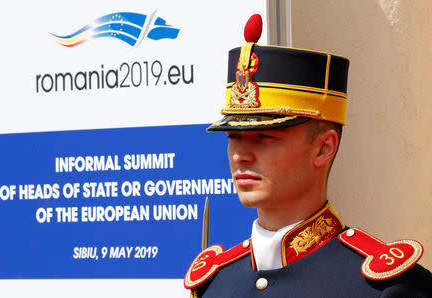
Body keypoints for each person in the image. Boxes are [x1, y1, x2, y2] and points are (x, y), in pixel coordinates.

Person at [184, 14, 432, 297]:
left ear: (324, 147)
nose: (240, 155)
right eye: (233, 137)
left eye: (265, 137)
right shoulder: (215, 283)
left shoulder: (383, 289)